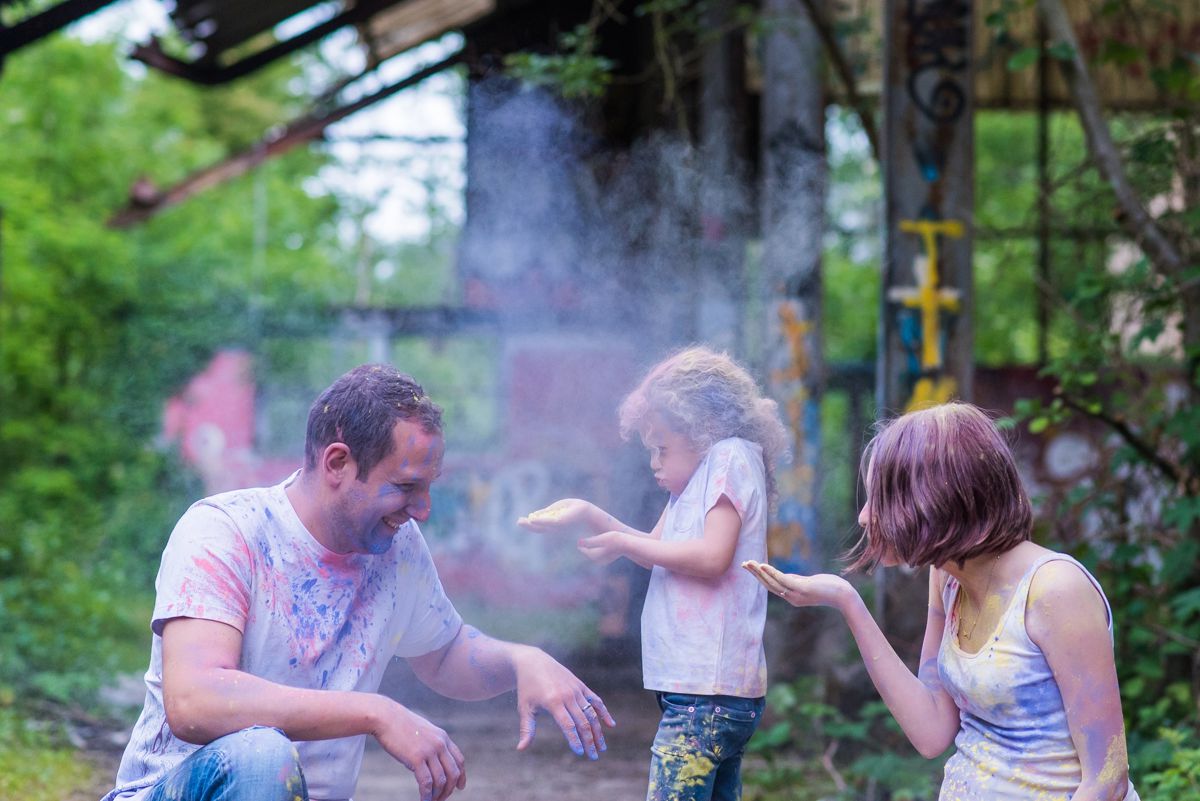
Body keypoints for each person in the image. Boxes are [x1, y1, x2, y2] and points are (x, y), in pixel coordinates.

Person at [102, 364, 615, 801]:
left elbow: (445, 654)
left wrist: (523, 660)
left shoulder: (397, 549)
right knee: (260, 752)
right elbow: (196, 701)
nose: (423, 511)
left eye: (429, 488)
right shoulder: (226, 530)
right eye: (406, 488)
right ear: (338, 463)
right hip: (165, 789)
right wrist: (375, 712)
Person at [744, 402, 1139, 801]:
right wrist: (847, 602)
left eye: (882, 498)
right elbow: (931, 732)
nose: (864, 517)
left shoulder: (1055, 590)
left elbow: (1107, 780)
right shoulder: (946, 578)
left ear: (935, 497)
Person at [519, 346, 788, 801]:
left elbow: (712, 558)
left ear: (704, 429)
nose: (654, 462)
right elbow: (656, 551)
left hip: (707, 694)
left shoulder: (730, 457)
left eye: (662, 448)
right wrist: (589, 514)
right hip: (699, 692)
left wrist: (623, 543)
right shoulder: (693, 483)